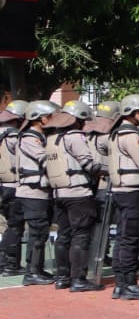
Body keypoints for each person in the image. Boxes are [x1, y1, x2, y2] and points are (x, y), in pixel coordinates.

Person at [43, 100, 104, 291]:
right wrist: (107, 169)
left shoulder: (52, 138)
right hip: (78, 193)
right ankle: (78, 278)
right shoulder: (75, 137)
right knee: (81, 236)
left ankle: (62, 277)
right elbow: (88, 164)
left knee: (64, 235)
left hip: (59, 192)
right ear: (77, 120)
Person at [107, 95, 139, 300]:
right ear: (130, 112)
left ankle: (121, 283)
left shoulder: (116, 133)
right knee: (130, 238)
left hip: (120, 190)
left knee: (122, 237)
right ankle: (129, 284)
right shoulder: (131, 135)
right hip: (131, 191)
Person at [16, 102, 58, 285]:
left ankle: (37, 269)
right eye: (50, 116)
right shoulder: (29, 138)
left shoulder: (41, 136)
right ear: (39, 118)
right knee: (37, 232)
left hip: (41, 191)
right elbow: (45, 159)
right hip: (32, 192)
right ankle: (32, 272)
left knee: (41, 232)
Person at [0, 101, 27, 277]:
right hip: (13, 185)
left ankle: (6, 262)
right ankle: (10, 263)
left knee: (8, 225)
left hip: (2, 184)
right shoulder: (14, 136)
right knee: (15, 226)